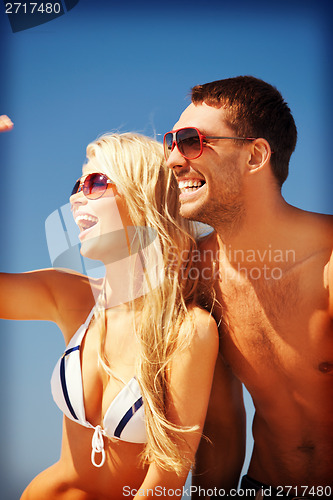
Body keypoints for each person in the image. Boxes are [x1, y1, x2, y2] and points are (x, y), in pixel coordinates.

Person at [0, 115, 219, 499]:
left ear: (143, 197)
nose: (75, 197)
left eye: (96, 183)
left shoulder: (187, 331)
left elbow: (167, 481)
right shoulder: (69, 296)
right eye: (77, 185)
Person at [164, 76, 333, 498]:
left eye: (190, 141)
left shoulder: (328, 261)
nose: (172, 159)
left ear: (255, 155)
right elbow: (221, 426)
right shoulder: (197, 273)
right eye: (171, 142)